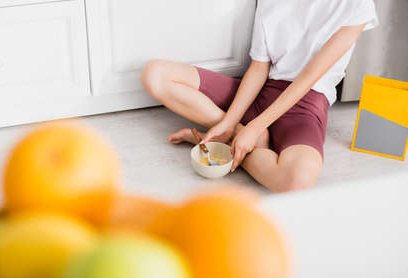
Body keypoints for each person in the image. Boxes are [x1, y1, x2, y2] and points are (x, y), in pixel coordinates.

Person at [140, 0, 379, 192]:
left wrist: (255, 127)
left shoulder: (356, 5)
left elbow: (307, 80)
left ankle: (228, 145)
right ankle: (234, 135)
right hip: (261, 92)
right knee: (155, 74)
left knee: (298, 179)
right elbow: (258, 68)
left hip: (304, 105)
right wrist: (230, 122)